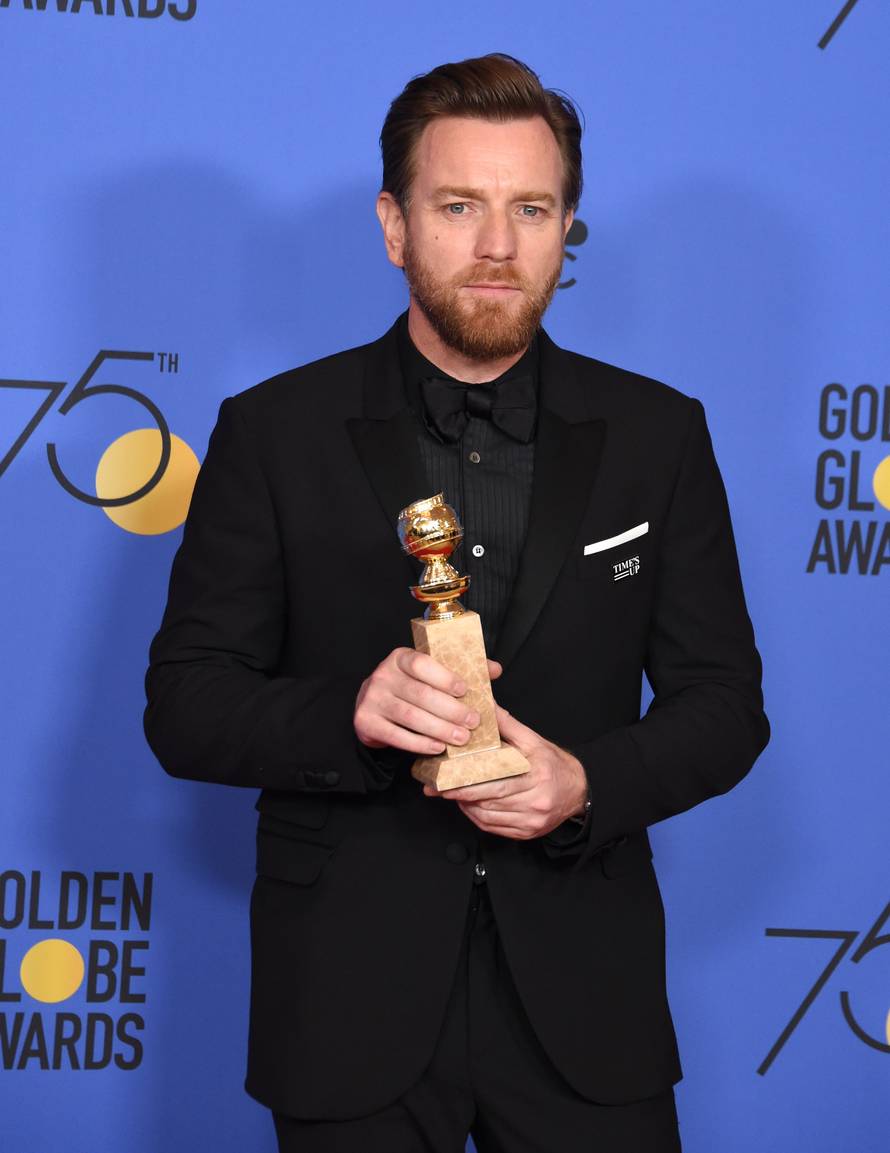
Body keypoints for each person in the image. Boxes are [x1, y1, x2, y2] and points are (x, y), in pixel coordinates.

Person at [144, 53, 769, 1153]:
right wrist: (349, 710)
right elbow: (185, 705)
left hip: (587, 1001)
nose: (495, 246)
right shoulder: (272, 433)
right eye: (457, 206)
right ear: (393, 225)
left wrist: (586, 783)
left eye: (530, 208)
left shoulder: (657, 434)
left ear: (565, 227)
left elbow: (724, 703)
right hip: (346, 1003)